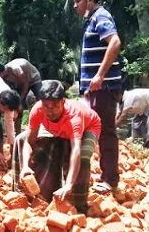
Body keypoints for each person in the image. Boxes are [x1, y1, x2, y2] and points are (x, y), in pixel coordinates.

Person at [13, 80, 100, 214]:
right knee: (20, 139)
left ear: (63, 102)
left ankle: (79, 205)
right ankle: (27, 191)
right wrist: (25, 165)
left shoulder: (74, 116)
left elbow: (76, 151)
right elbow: (29, 141)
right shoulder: (37, 110)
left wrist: (69, 184)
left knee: (82, 158)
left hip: (88, 127)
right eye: (46, 106)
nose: (50, 111)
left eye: (54, 106)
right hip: (58, 130)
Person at [72, 0, 125, 192]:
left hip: (103, 87)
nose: (75, 6)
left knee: (105, 132)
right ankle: (95, 175)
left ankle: (110, 179)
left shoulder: (101, 16)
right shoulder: (92, 20)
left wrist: (100, 76)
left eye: (78, 1)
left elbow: (115, 42)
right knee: (92, 129)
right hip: (95, 88)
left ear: (90, 1)